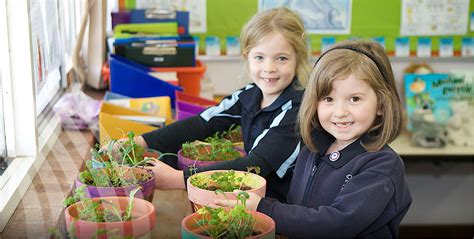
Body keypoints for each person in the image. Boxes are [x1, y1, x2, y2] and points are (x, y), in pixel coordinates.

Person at [216, 40, 412, 238]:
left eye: (355, 99)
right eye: (328, 99)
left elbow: (336, 224)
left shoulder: (383, 165)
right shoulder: (312, 148)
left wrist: (264, 208)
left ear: (381, 104)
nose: (340, 112)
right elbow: (297, 207)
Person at [128, 7, 310, 202]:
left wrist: (178, 179)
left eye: (281, 58)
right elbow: (204, 122)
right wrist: (140, 141)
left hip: (278, 206)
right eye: (259, 57)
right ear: (246, 57)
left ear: (297, 59)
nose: (269, 68)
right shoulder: (249, 95)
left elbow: (255, 165)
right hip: (246, 194)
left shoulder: (297, 110)